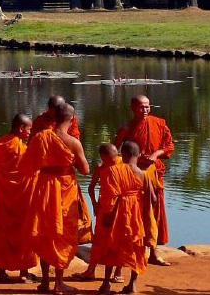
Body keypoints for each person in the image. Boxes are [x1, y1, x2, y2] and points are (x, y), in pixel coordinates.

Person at [20, 103, 91, 294]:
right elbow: (85, 170)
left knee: (45, 232)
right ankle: (58, 282)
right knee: (63, 235)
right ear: (72, 119)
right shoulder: (73, 142)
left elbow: (27, 166)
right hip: (66, 187)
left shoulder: (40, 137)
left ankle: (45, 281)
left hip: (44, 186)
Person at [113, 94, 174, 266]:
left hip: (153, 174)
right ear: (132, 108)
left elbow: (169, 145)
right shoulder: (126, 128)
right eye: (141, 107)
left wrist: (155, 155)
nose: (145, 110)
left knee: (154, 212)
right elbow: (114, 150)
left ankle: (153, 252)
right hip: (133, 176)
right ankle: (131, 253)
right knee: (134, 214)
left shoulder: (159, 123)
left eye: (147, 106)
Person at [0, 113, 37, 283]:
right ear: (21, 128)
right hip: (22, 198)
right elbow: (33, 172)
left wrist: (5, 179)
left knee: (2, 231)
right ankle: (24, 273)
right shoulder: (23, 150)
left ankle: (1, 271)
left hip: (3, 197)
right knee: (23, 232)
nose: (30, 133)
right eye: (29, 129)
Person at [97, 141, 154, 294]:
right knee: (136, 247)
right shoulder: (144, 174)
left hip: (118, 213)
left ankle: (106, 284)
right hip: (136, 214)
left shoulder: (114, 170)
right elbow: (153, 199)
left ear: (123, 155)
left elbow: (110, 196)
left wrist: (107, 214)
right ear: (139, 155)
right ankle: (132, 285)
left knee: (112, 245)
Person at [73, 144, 123, 284]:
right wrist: (95, 204)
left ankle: (118, 272)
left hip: (120, 210)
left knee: (119, 240)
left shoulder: (123, 165)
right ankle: (91, 271)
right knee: (99, 241)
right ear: (103, 157)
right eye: (108, 159)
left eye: (114, 158)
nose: (112, 161)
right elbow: (91, 187)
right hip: (104, 208)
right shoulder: (101, 168)